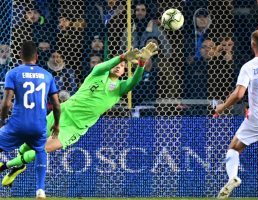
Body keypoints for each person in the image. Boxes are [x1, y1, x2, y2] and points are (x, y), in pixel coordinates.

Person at [0, 42, 158, 187]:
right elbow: (104, 66)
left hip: (74, 128)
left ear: (124, 71)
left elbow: (134, 81)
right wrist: (121, 57)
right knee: (26, 146)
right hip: (61, 114)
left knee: (40, 149)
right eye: (117, 64)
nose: (119, 66)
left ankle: (5, 166)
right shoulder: (96, 74)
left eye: (123, 66)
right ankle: (18, 166)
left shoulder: (119, 88)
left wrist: (142, 63)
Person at [0, 41, 61, 199]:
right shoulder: (47, 75)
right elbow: (56, 104)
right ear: (37, 56)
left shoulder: (13, 73)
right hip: (38, 126)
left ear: (20, 56)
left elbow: (7, 102)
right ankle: (40, 190)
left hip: (17, 124)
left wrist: (2, 120)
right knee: (41, 150)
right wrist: (56, 124)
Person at [215, 29, 258, 199]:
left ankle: (233, 177)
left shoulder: (249, 66)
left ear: (253, 44)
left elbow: (239, 94)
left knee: (234, 148)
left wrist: (222, 107)